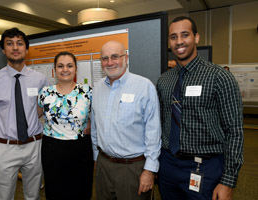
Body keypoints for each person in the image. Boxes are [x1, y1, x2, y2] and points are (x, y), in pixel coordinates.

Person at [156, 16, 243, 200]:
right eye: (173, 37)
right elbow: (163, 123)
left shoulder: (219, 77)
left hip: (205, 168)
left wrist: (228, 180)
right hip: (168, 166)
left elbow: (234, 131)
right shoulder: (164, 80)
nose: (179, 41)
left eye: (184, 35)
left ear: (196, 37)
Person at [0, 27, 47, 200]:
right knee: (3, 197)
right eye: (10, 44)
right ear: (3, 50)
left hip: (34, 147)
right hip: (4, 149)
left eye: (20, 43)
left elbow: (44, 111)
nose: (15, 48)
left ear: (26, 49)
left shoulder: (40, 79)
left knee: (33, 196)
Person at [91, 40, 161, 200]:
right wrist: (96, 158)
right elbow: (95, 127)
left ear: (126, 58)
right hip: (104, 165)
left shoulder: (144, 86)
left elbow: (153, 131)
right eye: (105, 58)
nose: (110, 62)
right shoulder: (97, 88)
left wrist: (149, 170)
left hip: (133, 168)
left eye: (115, 56)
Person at [38, 51, 94, 200]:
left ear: (75, 69)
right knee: (55, 192)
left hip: (81, 148)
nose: (65, 70)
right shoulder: (45, 92)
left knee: (81, 191)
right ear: (54, 70)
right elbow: (36, 114)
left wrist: (89, 123)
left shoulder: (87, 92)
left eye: (69, 66)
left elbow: (95, 117)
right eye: (60, 66)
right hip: (52, 149)